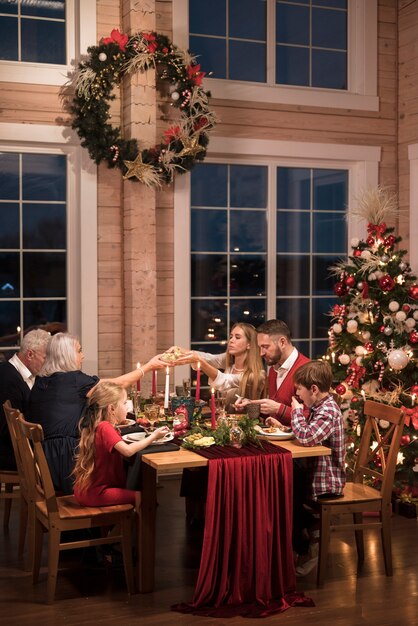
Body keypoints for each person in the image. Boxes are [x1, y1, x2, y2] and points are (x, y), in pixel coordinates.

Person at [28, 332, 168, 494]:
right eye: (79, 351)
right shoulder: (74, 380)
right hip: (68, 463)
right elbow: (117, 386)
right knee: (122, 456)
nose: (83, 355)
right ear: (66, 355)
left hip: (45, 460)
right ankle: (128, 503)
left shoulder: (41, 381)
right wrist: (148, 367)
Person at [267, 360, 346, 574]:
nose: (297, 395)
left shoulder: (327, 410)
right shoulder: (318, 406)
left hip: (326, 481)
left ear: (313, 389)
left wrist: (295, 412)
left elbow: (307, 437)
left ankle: (306, 540)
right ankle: (305, 535)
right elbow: (309, 431)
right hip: (314, 473)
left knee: (284, 492)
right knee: (280, 484)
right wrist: (284, 426)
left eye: (299, 390)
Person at [73, 382, 169, 510]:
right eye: (124, 403)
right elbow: (127, 451)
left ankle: (125, 529)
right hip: (98, 493)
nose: (127, 408)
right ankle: (138, 530)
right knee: (145, 496)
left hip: (86, 490)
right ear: (111, 408)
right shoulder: (105, 427)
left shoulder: (97, 425)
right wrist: (153, 436)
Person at [173, 322, 265, 408]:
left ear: (249, 344)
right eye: (231, 337)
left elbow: (224, 380)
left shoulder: (257, 375)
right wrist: (178, 350)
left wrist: (199, 361)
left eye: (237, 337)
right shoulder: (229, 362)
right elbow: (209, 358)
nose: (231, 341)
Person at [235, 319, 309, 425]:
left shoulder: (306, 370)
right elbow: (272, 412)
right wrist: (250, 405)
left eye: (265, 347)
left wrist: (278, 408)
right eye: (260, 347)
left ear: (282, 342)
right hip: (273, 438)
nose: (261, 353)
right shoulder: (274, 369)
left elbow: (311, 419)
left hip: (295, 440)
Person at [0, 329, 50, 470]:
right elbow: (8, 432)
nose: (47, 363)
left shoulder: (26, 375)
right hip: (10, 452)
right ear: (30, 354)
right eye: (45, 358)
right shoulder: (8, 379)